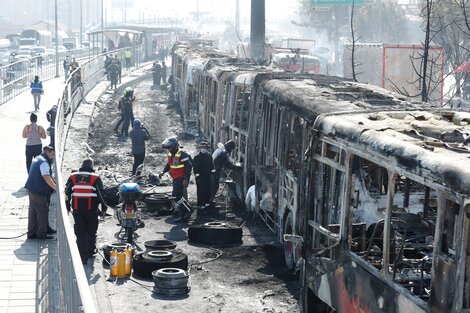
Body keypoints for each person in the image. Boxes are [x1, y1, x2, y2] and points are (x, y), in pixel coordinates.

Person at [65, 159, 107, 264]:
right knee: (91, 231)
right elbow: (101, 195)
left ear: (82, 165)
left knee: (80, 231)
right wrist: (103, 209)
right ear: (91, 166)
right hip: (91, 210)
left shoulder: (73, 176)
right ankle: (89, 252)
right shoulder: (95, 178)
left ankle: (81, 255)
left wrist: (67, 206)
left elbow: (67, 193)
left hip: (77, 209)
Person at [25, 146, 56, 240]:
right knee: (43, 211)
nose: (53, 157)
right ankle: (42, 234)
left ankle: (31, 233)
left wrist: (56, 183)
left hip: (31, 189)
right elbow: (46, 177)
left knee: (33, 212)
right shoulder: (44, 162)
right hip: (38, 191)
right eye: (52, 154)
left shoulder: (38, 158)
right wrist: (56, 188)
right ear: (47, 152)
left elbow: (48, 176)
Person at [159, 137, 193, 222]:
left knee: (175, 196)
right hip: (175, 178)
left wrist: (186, 180)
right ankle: (183, 215)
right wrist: (163, 172)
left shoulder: (183, 154)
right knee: (179, 197)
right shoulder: (171, 154)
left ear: (174, 146)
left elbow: (188, 168)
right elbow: (169, 164)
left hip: (180, 178)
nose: (168, 149)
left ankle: (188, 209)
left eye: (169, 147)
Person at [192, 141, 215, 207]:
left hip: (208, 176)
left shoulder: (209, 156)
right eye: (202, 148)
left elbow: (211, 165)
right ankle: (200, 205)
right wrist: (198, 176)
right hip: (200, 177)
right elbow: (195, 168)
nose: (203, 149)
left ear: (207, 148)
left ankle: (207, 203)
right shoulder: (197, 157)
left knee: (208, 190)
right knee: (201, 191)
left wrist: (213, 172)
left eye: (205, 148)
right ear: (200, 148)